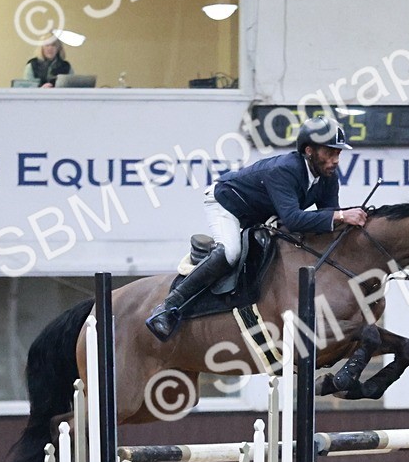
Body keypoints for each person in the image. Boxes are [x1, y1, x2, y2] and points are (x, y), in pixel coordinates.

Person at [145, 115, 368, 341]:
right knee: (230, 253)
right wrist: (341, 215)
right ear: (309, 151)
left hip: (259, 212)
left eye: (338, 153)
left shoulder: (328, 176)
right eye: (329, 152)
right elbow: (294, 219)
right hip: (226, 204)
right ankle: (166, 308)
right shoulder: (285, 169)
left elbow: (326, 219)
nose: (335, 159)